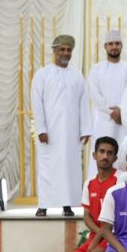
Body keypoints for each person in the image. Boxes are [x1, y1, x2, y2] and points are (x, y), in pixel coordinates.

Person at [32, 34, 91, 217]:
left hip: (71, 133)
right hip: (49, 133)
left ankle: (67, 205)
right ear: (54, 51)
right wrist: (41, 129)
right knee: (48, 168)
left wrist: (85, 129)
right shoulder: (42, 74)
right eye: (62, 49)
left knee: (70, 168)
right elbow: (36, 103)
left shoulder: (77, 76)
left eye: (69, 50)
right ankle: (43, 205)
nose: (65, 53)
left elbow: (83, 103)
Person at [58, 137, 119, 252]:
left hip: (115, 238)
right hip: (95, 237)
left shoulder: (121, 180)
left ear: (115, 158)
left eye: (110, 153)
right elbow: (87, 216)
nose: (105, 156)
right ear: (94, 155)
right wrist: (99, 234)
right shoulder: (89, 183)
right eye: (101, 152)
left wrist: (103, 236)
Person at [86, 30, 127, 174]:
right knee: (101, 152)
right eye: (111, 44)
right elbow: (94, 94)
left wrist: (121, 111)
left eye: (117, 44)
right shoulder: (96, 69)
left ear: (121, 46)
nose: (114, 47)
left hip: (123, 121)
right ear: (105, 46)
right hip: (103, 121)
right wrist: (111, 112)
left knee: (122, 152)